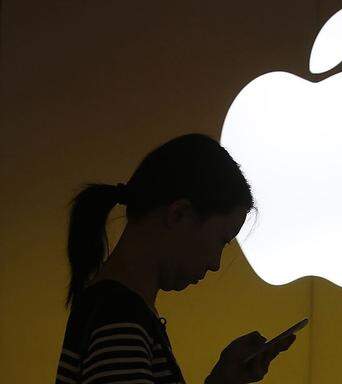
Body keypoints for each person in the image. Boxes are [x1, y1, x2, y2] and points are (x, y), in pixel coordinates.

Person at [55, 133, 296, 384]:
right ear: (179, 214)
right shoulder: (121, 322)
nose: (216, 263)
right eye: (221, 241)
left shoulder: (116, 313)